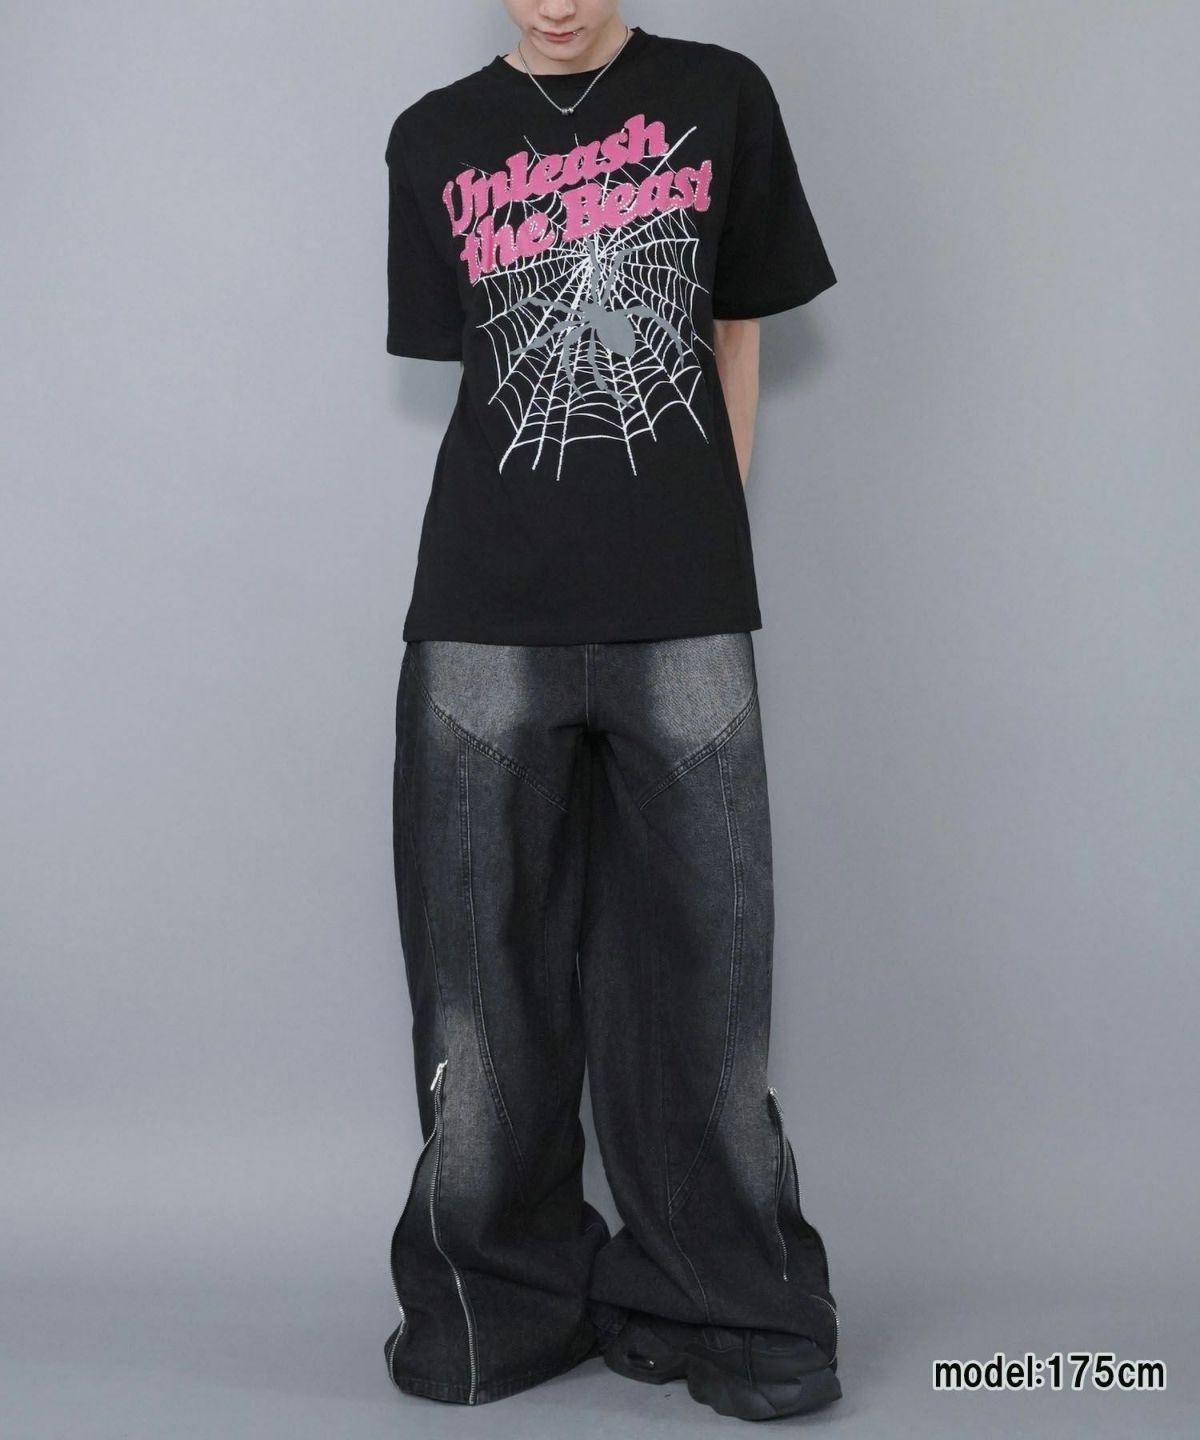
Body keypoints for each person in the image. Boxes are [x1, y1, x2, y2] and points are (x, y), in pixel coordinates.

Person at [382, 1, 841, 1421]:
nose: (558, 2)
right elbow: (472, 367)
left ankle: (735, 1311)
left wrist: (704, 536)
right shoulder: (432, 138)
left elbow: (733, 333)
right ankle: (491, 1308)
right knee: (478, 980)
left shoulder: (723, 96)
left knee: (707, 976)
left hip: (682, 595)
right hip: (482, 600)